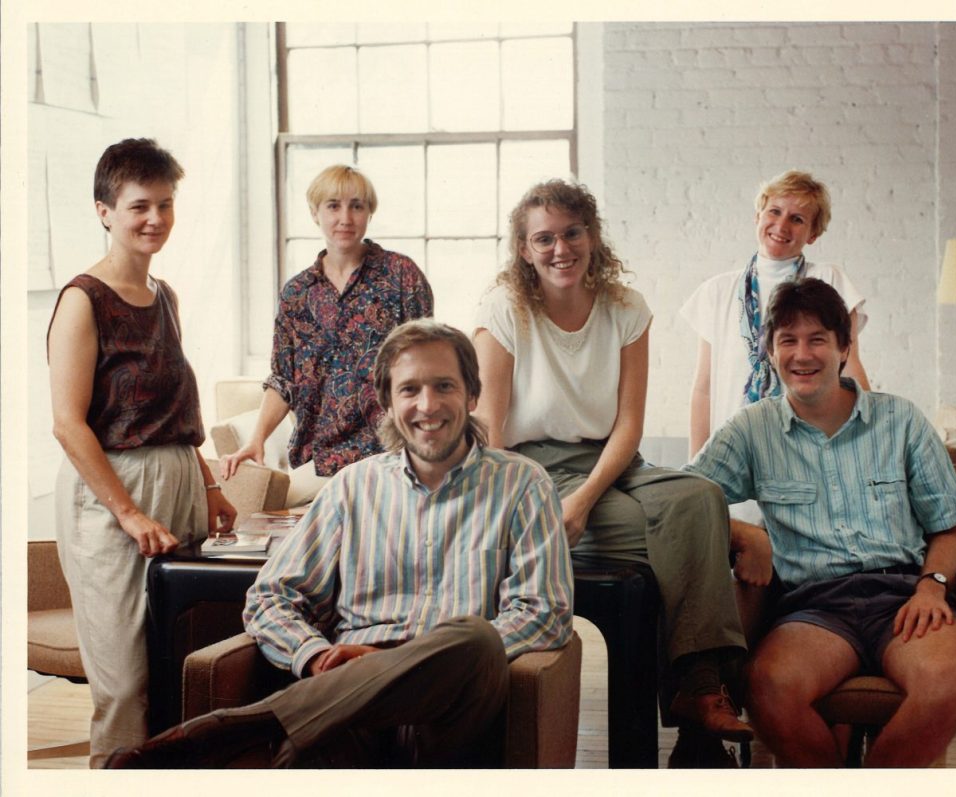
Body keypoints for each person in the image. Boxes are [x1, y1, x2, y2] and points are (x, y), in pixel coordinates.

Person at [105, 320, 575, 768]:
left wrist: (393, 663)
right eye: (409, 389)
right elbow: (271, 599)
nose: (427, 405)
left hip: (452, 709)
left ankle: (236, 730)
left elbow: (545, 612)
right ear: (387, 404)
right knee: (306, 757)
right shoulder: (352, 488)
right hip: (341, 712)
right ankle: (283, 725)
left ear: (472, 394)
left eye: (444, 386)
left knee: (476, 638)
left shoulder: (522, 483)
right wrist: (311, 655)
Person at [472, 179, 751, 763]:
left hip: (610, 463)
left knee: (701, 497)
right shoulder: (503, 310)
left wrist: (582, 500)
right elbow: (490, 430)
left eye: (572, 233)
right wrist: (532, 502)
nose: (560, 249)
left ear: (593, 237)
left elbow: (628, 426)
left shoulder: (626, 308)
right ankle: (701, 699)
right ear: (524, 249)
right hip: (532, 469)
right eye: (543, 238)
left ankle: (696, 694)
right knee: (679, 534)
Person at [686, 278, 956, 767]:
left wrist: (933, 586)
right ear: (771, 353)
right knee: (770, 687)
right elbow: (684, 497)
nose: (803, 354)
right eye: (788, 341)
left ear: (844, 348)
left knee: (947, 680)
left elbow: (950, 524)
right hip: (812, 609)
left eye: (818, 339)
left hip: (904, 595)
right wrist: (744, 532)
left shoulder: (900, 419)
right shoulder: (752, 428)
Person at [47, 138, 237, 767]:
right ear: (104, 210)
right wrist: (129, 513)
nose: (154, 218)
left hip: (178, 479)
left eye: (165, 204)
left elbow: (178, 411)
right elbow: (69, 425)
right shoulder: (83, 299)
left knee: (175, 662)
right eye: (138, 206)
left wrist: (209, 486)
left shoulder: (165, 297)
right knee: (125, 682)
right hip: (111, 495)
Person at [220, 165, 433, 502]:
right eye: (333, 205)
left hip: (391, 451)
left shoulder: (401, 275)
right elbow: (283, 380)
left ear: (369, 213)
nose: (345, 217)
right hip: (320, 458)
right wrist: (256, 439)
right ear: (314, 213)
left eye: (357, 206)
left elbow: (428, 363)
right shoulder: (297, 293)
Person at [682, 170, 870, 532]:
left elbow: (850, 368)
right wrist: (697, 470)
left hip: (808, 447)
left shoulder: (829, 281)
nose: (782, 225)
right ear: (758, 216)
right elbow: (703, 388)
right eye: (774, 212)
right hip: (737, 449)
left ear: (812, 234)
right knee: (742, 561)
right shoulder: (718, 291)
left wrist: (868, 443)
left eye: (797, 219)